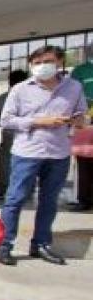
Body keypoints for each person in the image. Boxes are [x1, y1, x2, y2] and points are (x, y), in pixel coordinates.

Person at [0, 46, 88, 266]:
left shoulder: (74, 87)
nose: (41, 67)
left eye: (46, 61)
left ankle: (40, 244)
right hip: (27, 152)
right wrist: (38, 121)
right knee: (15, 199)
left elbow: (81, 114)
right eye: (36, 63)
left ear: (59, 62)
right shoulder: (20, 89)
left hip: (59, 152)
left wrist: (78, 120)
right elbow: (6, 120)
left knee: (49, 201)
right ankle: (5, 244)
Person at [0, 69, 29, 201]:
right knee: (26, 162)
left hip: (8, 133)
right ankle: (24, 191)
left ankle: (1, 190)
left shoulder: (3, 98)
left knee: (6, 161)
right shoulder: (29, 97)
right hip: (26, 133)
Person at [68, 44, 93, 211]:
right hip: (87, 122)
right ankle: (85, 199)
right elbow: (73, 97)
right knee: (84, 162)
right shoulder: (81, 71)